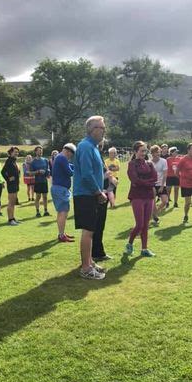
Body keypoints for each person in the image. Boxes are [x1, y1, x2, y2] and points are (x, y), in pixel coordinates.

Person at [73, 116, 108, 280]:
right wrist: (98, 192)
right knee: (88, 231)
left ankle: (90, 262)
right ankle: (86, 268)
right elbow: (86, 174)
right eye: (101, 127)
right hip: (86, 195)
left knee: (92, 231)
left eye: (103, 127)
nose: (103, 131)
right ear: (91, 129)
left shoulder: (93, 147)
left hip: (91, 194)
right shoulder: (86, 146)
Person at [124, 141, 158, 257]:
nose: (144, 153)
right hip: (137, 196)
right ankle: (130, 244)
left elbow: (155, 178)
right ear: (135, 151)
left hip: (149, 196)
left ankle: (144, 249)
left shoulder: (149, 164)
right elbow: (135, 180)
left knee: (146, 224)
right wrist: (147, 182)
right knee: (139, 224)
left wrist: (144, 182)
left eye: (145, 151)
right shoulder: (132, 164)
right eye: (142, 151)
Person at [50, 143, 76, 243]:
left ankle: (62, 233)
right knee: (63, 212)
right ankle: (61, 235)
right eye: (71, 154)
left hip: (59, 188)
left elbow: (70, 166)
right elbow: (70, 172)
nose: (71, 156)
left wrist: (75, 166)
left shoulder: (59, 157)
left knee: (62, 212)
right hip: (60, 189)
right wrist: (78, 170)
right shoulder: (62, 158)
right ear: (68, 151)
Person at [92, 154, 115, 261]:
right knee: (95, 226)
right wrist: (105, 176)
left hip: (103, 194)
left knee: (100, 226)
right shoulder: (90, 153)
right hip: (97, 196)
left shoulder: (98, 156)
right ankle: (95, 254)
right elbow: (90, 176)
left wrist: (111, 180)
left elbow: (106, 173)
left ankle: (99, 252)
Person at [1, 146, 20, 226]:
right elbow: (2, 172)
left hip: (15, 184)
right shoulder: (9, 161)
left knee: (13, 202)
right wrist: (8, 179)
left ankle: (13, 218)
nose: (16, 153)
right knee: (11, 202)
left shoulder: (14, 161)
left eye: (17, 152)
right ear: (11, 152)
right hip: (11, 184)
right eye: (15, 152)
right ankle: (10, 219)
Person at [150, 144, 168, 225]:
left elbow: (165, 174)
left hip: (161, 184)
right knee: (152, 202)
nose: (158, 153)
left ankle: (154, 214)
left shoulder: (163, 161)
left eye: (159, 152)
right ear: (152, 153)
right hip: (152, 185)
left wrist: (162, 185)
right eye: (156, 152)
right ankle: (155, 217)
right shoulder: (149, 162)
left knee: (164, 201)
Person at [30, 145, 50, 217]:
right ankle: (37, 212)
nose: (40, 151)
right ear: (35, 152)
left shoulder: (45, 160)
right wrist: (38, 171)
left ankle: (46, 211)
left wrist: (47, 172)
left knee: (45, 196)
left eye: (41, 150)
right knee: (38, 196)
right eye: (39, 150)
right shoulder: (33, 162)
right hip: (37, 181)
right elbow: (30, 173)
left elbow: (48, 170)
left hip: (44, 181)